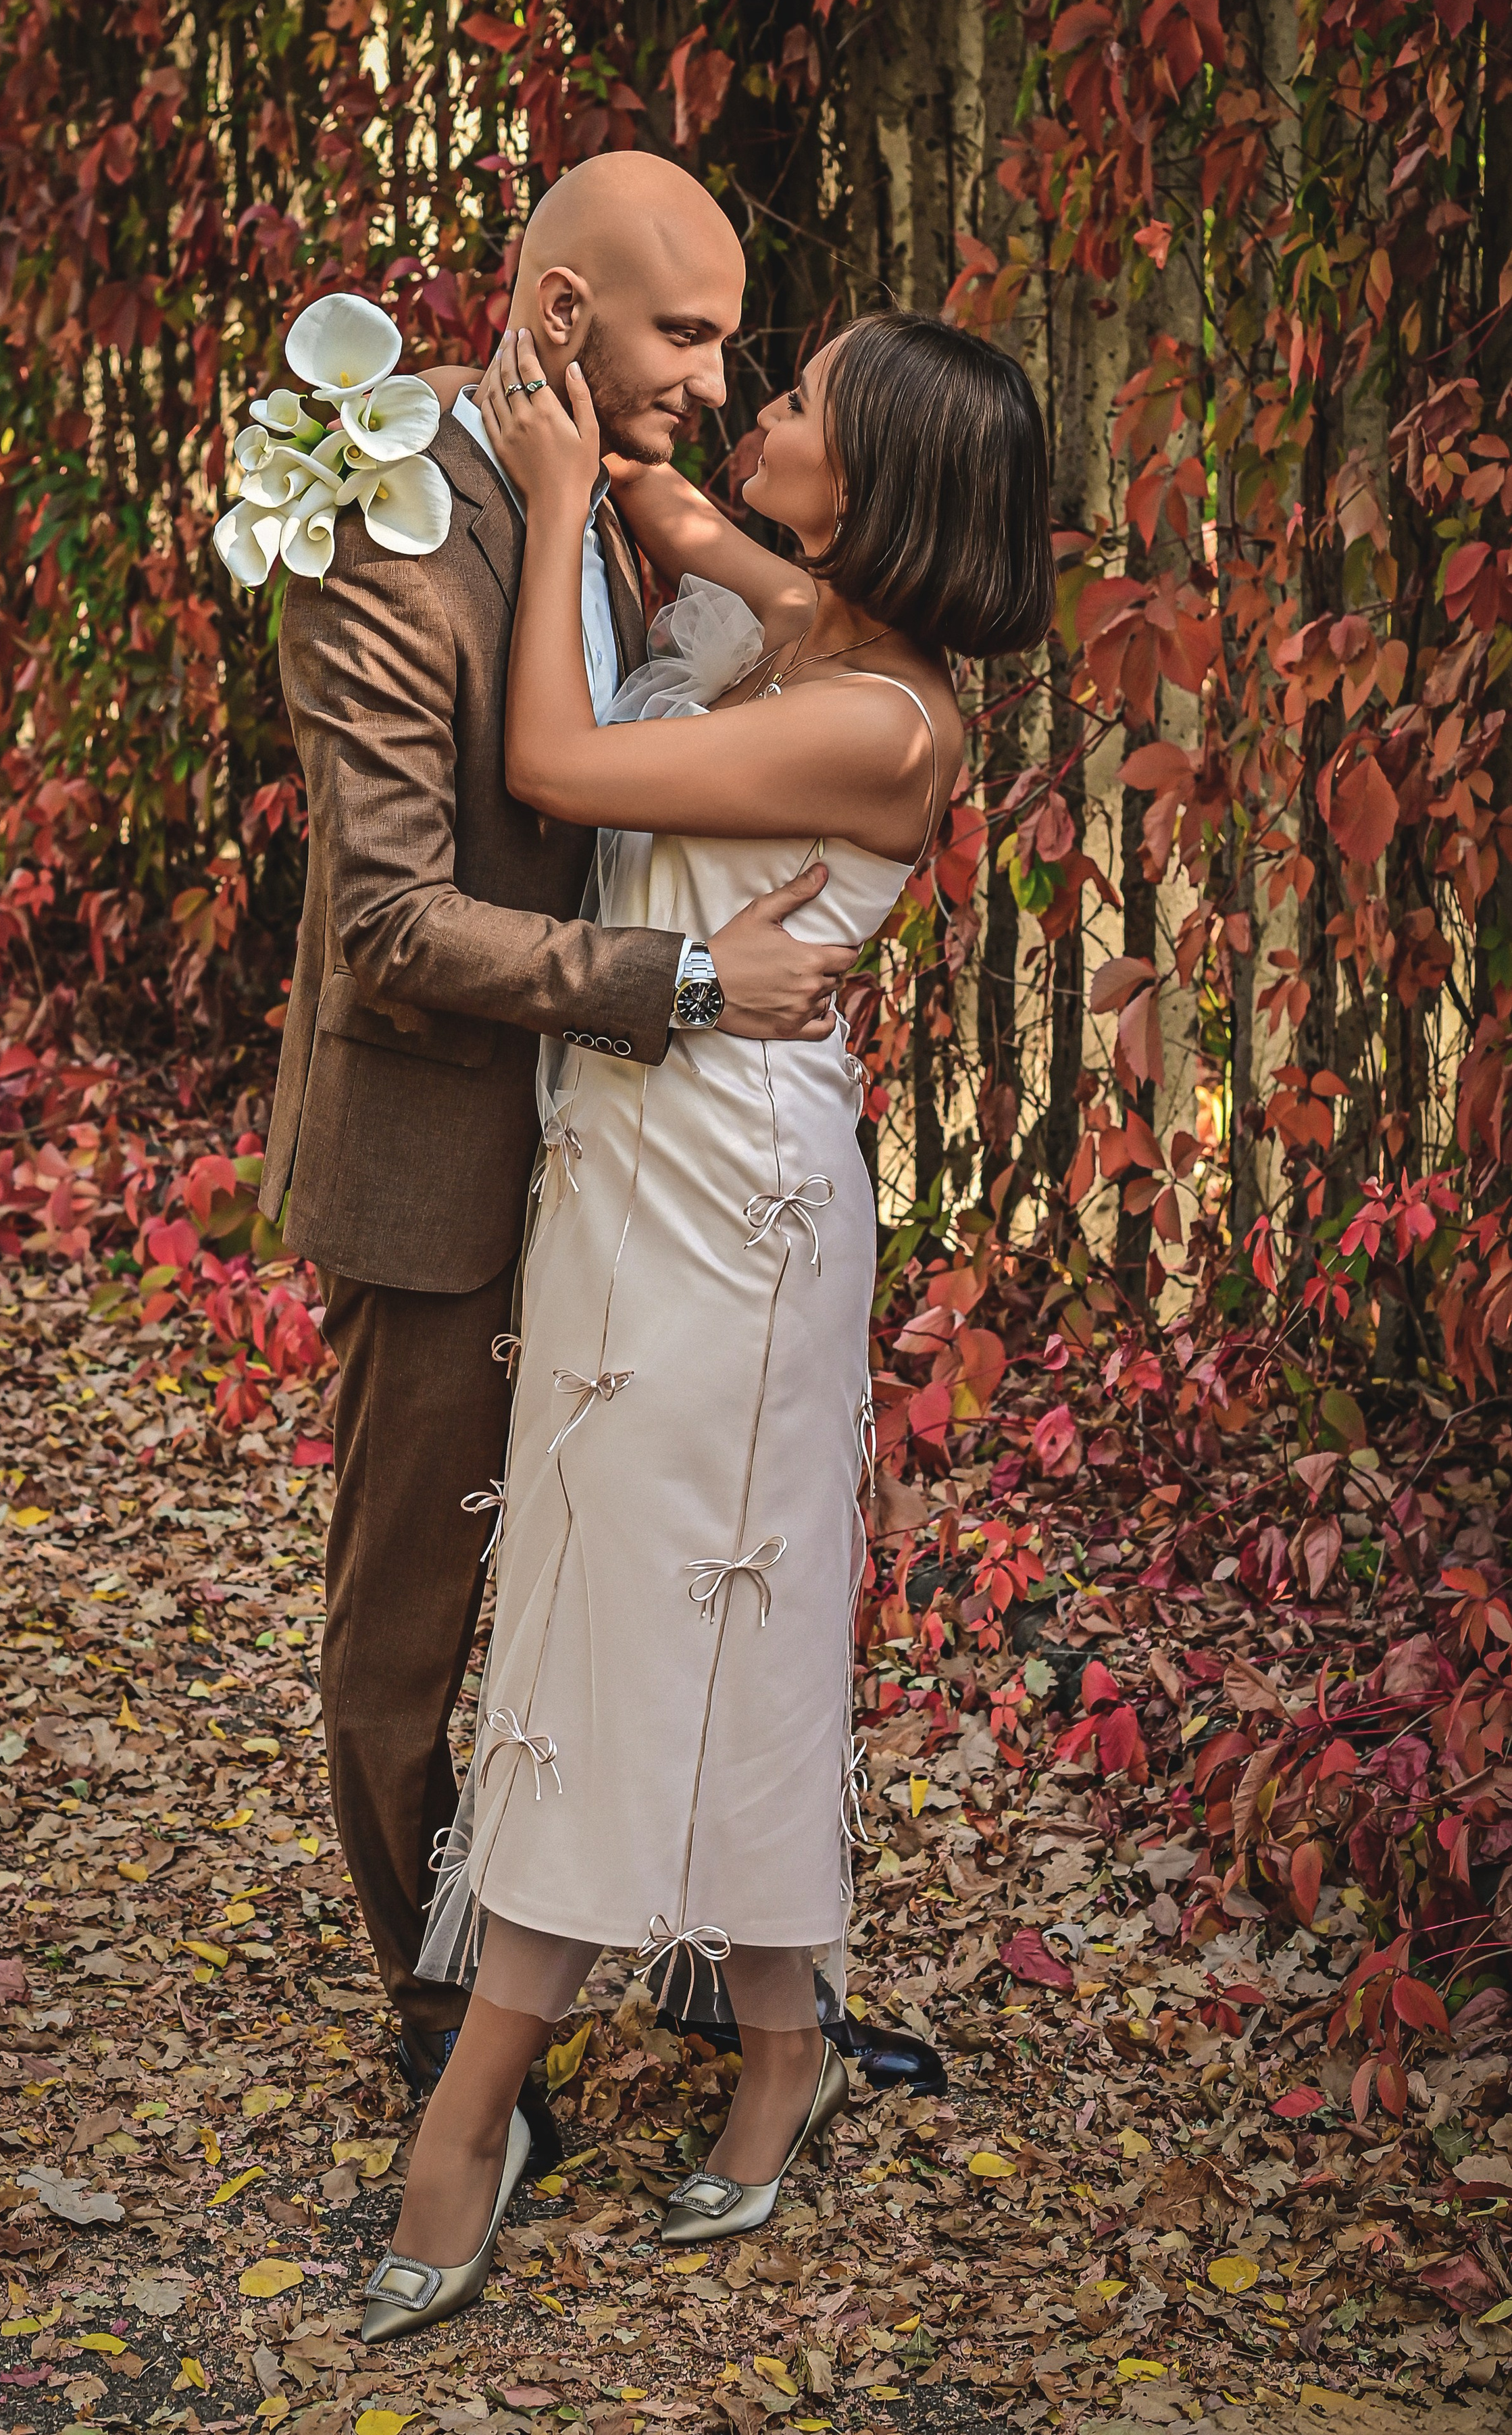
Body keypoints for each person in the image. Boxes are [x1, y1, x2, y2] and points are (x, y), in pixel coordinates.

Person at [358, 305, 1055, 2344]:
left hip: (733, 1206)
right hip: (629, 1161)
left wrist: (581, 497)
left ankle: (470, 2112)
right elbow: (704, 527)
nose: (765, 412)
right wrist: (577, 424)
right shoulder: (807, 625)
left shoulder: (882, 723)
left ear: (889, 484)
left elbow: (558, 763)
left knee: (636, 1618)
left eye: (807, 405)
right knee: (692, 1602)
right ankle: (779, 2038)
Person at [259, 153, 861, 2146]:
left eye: (722, 331)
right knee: (407, 1630)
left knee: (654, 1562)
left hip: (635, 1167)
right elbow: (386, 920)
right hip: (444, 1152)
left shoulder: (622, 488)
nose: (715, 368)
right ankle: (449, 2025)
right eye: (683, 330)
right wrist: (685, 984)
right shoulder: (378, 522)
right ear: (557, 315)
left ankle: (704, 1952)